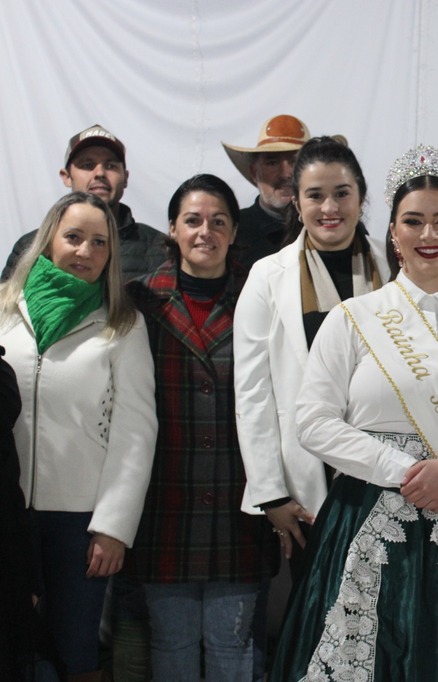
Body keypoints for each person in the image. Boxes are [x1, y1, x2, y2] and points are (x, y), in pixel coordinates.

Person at [271, 145, 438, 681]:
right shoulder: (352, 319)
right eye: (413, 222)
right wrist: (405, 473)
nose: (428, 235)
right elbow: (314, 421)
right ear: (393, 234)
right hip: (365, 511)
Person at [124, 174, 278, 681]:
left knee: (233, 646)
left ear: (234, 231)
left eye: (218, 222)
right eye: (192, 220)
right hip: (163, 505)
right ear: (172, 229)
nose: (204, 232)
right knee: (170, 645)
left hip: (239, 505)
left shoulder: (261, 302)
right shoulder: (139, 303)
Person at [0, 192, 157, 681]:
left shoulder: (123, 325)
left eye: (99, 243)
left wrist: (113, 526)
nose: (85, 251)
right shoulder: (4, 309)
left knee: (76, 655)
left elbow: (136, 432)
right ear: (48, 241)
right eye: (73, 237)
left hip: (78, 525)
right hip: (5, 516)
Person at [235, 136, 388, 577]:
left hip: (388, 466)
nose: (330, 208)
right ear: (297, 205)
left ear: (361, 197)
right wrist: (271, 494)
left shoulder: (394, 264)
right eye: (315, 196)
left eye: (342, 193)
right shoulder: (268, 275)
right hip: (307, 481)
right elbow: (252, 392)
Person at [2, 123, 166, 283]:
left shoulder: (160, 248)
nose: (100, 173)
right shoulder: (30, 246)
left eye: (110, 166)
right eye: (87, 165)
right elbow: (6, 306)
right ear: (66, 176)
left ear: (125, 178)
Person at [222, 114, 312, 271]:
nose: (286, 173)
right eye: (272, 162)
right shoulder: (232, 230)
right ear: (253, 172)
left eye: (295, 161)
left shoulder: (334, 224)